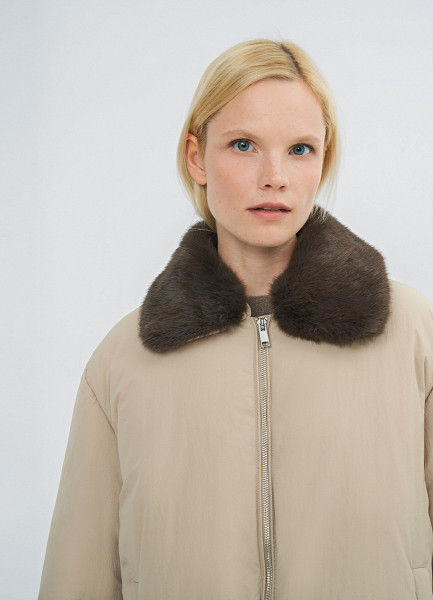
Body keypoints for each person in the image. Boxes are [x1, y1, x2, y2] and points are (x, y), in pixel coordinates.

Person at [38, 39, 433, 600]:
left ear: (322, 161)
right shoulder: (122, 361)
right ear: (197, 157)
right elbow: (77, 579)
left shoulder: (414, 335)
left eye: (300, 149)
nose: (274, 176)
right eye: (244, 145)